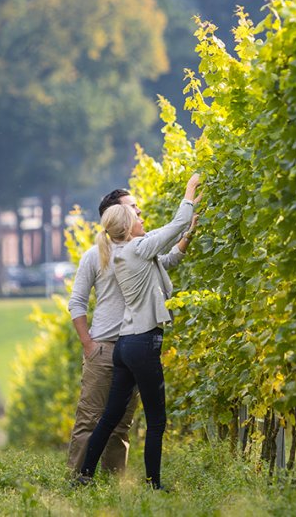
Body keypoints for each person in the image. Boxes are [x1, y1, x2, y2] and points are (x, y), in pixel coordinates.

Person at [78, 173, 201, 489]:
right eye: (135, 213)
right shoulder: (138, 249)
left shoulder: (122, 249)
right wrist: (189, 191)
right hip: (144, 343)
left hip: (126, 345)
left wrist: (187, 230)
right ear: (125, 224)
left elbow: (168, 242)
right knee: (157, 420)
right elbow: (171, 228)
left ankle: (83, 478)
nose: (141, 216)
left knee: (110, 418)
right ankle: (153, 485)